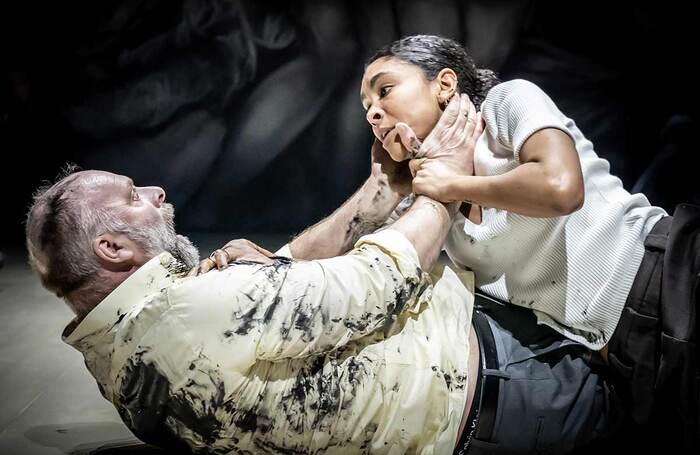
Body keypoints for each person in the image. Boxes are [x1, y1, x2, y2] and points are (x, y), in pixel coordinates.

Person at [26, 97, 613, 454]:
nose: (156, 193)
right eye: (134, 197)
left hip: (486, 402)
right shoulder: (185, 314)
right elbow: (379, 281)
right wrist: (446, 181)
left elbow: (283, 294)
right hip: (507, 391)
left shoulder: (126, 349)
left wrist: (382, 192)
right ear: (111, 246)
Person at [331, 34, 695, 448]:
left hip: (667, 273)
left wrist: (454, 184)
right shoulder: (429, 202)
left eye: (385, 90)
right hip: (625, 355)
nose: (374, 113)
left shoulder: (507, 102)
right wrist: (379, 189)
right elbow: (355, 269)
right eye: (367, 108)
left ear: (445, 84)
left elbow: (560, 187)